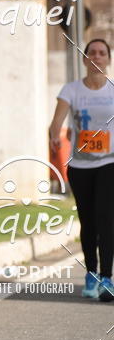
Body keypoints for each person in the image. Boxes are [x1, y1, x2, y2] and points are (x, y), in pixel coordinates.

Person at [49, 38, 114, 302]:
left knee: (106, 218)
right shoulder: (71, 90)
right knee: (88, 222)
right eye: (92, 53)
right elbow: (56, 122)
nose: (97, 56)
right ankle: (91, 274)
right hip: (80, 166)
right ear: (85, 59)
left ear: (108, 60)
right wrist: (54, 136)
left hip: (109, 162)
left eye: (102, 53)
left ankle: (107, 278)